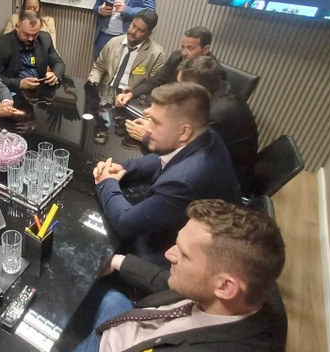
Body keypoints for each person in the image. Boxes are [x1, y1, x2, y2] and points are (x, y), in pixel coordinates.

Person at [38, 199, 287, 352]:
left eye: (184, 255)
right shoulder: (255, 284)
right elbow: (185, 285)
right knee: (96, 292)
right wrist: (117, 261)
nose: (169, 254)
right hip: (134, 329)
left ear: (225, 287)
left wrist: (36, 351)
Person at [93, 82, 240, 263]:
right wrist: (125, 168)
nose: (148, 128)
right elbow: (167, 156)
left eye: (155, 122)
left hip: (198, 255)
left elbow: (125, 223)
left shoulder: (182, 182)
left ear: (184, 132)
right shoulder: (205, 135)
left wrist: (106, 182)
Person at [178, 56, 259, 194]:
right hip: (222, 164)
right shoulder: (222, 88)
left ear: (196, 89)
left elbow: (185, 150)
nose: (178, 89)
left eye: (181, 85)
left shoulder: (217, 114)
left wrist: (152, 133)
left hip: (226, 184)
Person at [86, 9, 165, 144]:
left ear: (149, 33)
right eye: (133, 25)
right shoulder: (114, 42)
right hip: (104, 96)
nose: (133, 31)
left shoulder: (157, 54)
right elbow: (98, 67)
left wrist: (133, 94)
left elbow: (154, 85)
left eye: (140, 30)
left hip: (131, 102)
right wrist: (93, 79)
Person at [115, 25, 221, 109]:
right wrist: (131, 94)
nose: (184, 53)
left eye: (190, 48)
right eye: (183, 47)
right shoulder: (176, 57)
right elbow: (154, 82)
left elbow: (199, 107)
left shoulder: (212, 71)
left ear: (206, 49)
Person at [0, 9, 66, 92]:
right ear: (17, 26)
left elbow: (59, 63)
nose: (31, 39)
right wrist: (19, 83)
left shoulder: (45, 39)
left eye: (35, 34)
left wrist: (55, 75)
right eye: (26, 34)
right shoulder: (1, 44)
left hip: (39, 89)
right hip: (13, 91)